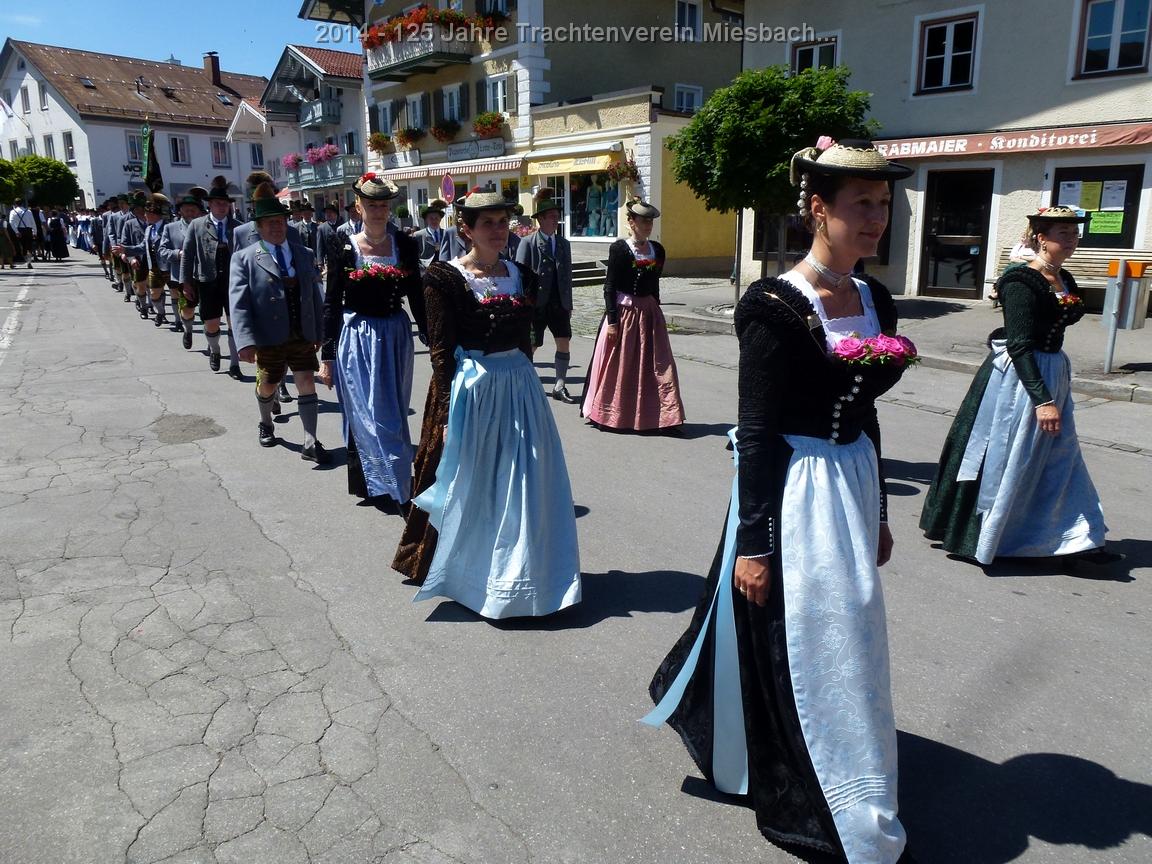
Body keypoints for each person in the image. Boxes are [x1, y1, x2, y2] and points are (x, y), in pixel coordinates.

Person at [646, 139, 920, 864]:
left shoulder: (874, 299)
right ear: (817, 209)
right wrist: (754, 545)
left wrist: (881, 512)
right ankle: (816, 777)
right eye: (861, 204)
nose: (877, 218)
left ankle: (850, 751)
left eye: (883, 204)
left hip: (852, 481)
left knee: (851, 629)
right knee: (807, 636)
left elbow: (866, 414)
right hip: (798, 490)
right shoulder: (773, 305)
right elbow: (758, 432)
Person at [392, 190, 581, 619]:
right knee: (472, 480)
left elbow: (526, 341)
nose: (498, 231)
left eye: (502, 222)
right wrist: (444, 414)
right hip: (471, 390)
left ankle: (522, 573)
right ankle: (467, 572)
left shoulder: (522, 275)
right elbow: (441, 350)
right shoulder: (444, 278)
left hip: (519, 388)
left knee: (522, 481)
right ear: (467, 230)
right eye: (487, 224)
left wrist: (529, 385)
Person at [920, 206, 1113, 566]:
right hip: (1020, 380)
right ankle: (981, 535)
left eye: (1074, 234)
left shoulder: (1063, 277)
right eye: (1063, 234)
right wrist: (1043, 401)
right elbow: (1020, 345)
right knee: (1008, 456)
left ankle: (1077, 538)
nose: (1071, 240)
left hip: (1053, 371)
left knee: (1059, 457)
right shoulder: (1021, 282)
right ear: (1042, 238)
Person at [317, 172, 426, 511]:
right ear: (359, 207)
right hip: (357, 336)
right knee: (369, 414)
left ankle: (387, 480)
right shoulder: (343, 245)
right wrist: (327, 355)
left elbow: (417, 295)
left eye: (383, 205)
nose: (378, 211)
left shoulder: (404, 244)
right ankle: (395, 485)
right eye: (371, 205)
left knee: (392, 410)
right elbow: (332, 301)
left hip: (395, 336)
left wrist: (432, 336)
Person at [228, 182, 327, 462]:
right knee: (269, 384)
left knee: (306, 380)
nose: (276, 227)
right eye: (270, 222)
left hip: (301, 332)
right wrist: (245, 342)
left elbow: (314, 297)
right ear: (258, 227)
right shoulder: (244, 258)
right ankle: (266, 422)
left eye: (280, 221)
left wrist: (319, 331)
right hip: (268, 335)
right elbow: (239, 303)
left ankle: (310, 441)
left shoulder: (304, 253)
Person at [581, 199, 686, 432]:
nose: (647, 226)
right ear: (631, 222)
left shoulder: (657, 250)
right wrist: (612, 321)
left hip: (649, 313)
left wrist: (656, 311)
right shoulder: (620, 249)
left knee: (658, 364)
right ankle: (612, 415)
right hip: (625, 313)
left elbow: (655, 284)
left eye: (650, 222)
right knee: (620, 365)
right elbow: (609, 286)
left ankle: (664, 417)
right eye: (643, 221)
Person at [515, 188, 577, 403]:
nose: (555, 220)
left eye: (557, 216)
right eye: (551, 216)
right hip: (536, 304)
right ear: (540, 219)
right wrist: (522, 305)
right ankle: (523, 384)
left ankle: (560, 385)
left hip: (559, 303)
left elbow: (567, 276)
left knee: (563, 341)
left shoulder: (563, 243)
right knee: (531, 345)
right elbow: (520, 275)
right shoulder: (528, 242)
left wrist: (569, 303)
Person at [182, 177, 242, 374]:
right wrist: (186, 283)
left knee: (235, 322)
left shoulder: (238, 226)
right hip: (207, 281)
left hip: (233, 281)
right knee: (212, 323)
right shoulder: (197, 225)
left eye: (225, 204)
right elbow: (188, 255)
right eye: (218, 203)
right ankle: (215, 350)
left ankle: (234, 364)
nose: (222, 207)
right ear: (210, 205)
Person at [117, 194, 171, 326]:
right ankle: (143, 307)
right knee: (141, 286)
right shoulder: (131, 224)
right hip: (140, 260)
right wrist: (128, 255)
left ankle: (162, 313)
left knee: (159, 290)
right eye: (138, 208)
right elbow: (137, 245)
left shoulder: (165, 226)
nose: (141, 212)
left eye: (143, 209)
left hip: (160, 263)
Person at [411, 198, 447, 265]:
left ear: (440, 219)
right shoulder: (418, 235)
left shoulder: (447, 234)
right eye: (431, 218)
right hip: (425, 268)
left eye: (436, 218)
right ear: (426, 220)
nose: (434, 221)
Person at [8, 199, 36, 269]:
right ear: (22, 204)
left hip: (19, 230)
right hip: (28, 230)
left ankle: (22, 258)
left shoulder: (13, 211)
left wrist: (16, 232)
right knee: (29, 247)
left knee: (21, 247)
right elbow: (33, 222)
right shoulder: (28, 211)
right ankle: (29, 262)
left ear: (15, 204)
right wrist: (34, 232)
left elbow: (11, 222)